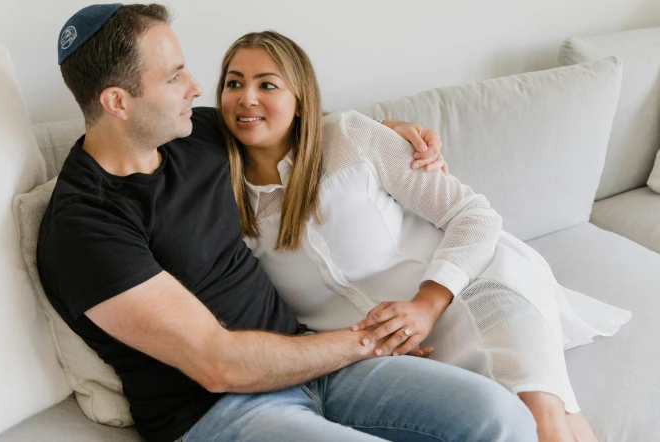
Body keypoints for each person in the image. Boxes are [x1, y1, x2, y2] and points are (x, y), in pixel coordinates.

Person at [38, 3, 539, 442]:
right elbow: (219, 364)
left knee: (498, 418)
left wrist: (387, 133)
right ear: (118, 103)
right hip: (221, 412)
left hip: (319, 366)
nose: (195, 87)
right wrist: (369, 340)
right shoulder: (85, 225)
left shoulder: (194, 134)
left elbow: (288, 120)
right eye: (173, 77)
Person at [215, 30, 632, 442]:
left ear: (300, 99)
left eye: (267, 84)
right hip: (381, 349)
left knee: (542, 414)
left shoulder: (348, 137)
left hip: (471, 281)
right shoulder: (221, 200)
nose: (246, 98)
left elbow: (474, 215)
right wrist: (369, 342)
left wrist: (426, 306)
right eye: (234, 83)